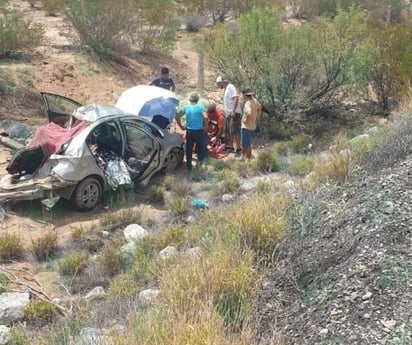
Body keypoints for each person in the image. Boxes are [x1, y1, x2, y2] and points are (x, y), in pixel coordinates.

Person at [175, 92, 209, 170]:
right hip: (199, 131)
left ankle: (189, 166)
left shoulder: (186, 107)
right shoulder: (200, 107)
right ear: (197, 100)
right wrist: (205, 127)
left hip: (189, 131)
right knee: (200, 147)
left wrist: (181, 126)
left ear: (190, 100)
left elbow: (177, 116)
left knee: (189, 148)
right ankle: (199, 165)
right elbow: (206, 117)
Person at [216, 75, 242, 156]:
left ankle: (238, 148)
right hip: (229, 114)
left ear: (222, 82)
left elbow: (235, 98)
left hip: (234, 113)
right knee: (229, 131)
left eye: (218, 84)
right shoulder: (226, 89)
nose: (218, 85)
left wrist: (233, 111)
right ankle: (231, 147)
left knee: (235, 130)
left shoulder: (230, 87)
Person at [240, 87, 261, 160]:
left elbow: (249, 113)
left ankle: (247, 158)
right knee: (245, 142)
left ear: (245, 95)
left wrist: (245, 120)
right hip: (252, 125)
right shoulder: (254, 100)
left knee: (246, 144)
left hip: (246, 126)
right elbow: (260, 107)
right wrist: (256, 116)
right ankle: (243, 156)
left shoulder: (248, 103)